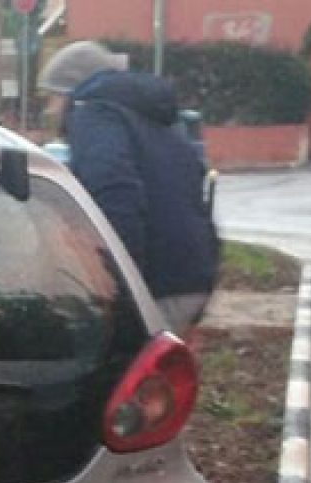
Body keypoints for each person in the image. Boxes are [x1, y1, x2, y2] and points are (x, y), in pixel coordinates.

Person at [39, 41, 219, 334]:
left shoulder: (94, 115)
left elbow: (114, 197)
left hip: (155, 284)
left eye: (51, 98)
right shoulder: (150, 118)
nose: (49, 110)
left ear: (70, 92)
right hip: (191, 277)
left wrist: (117, 287)